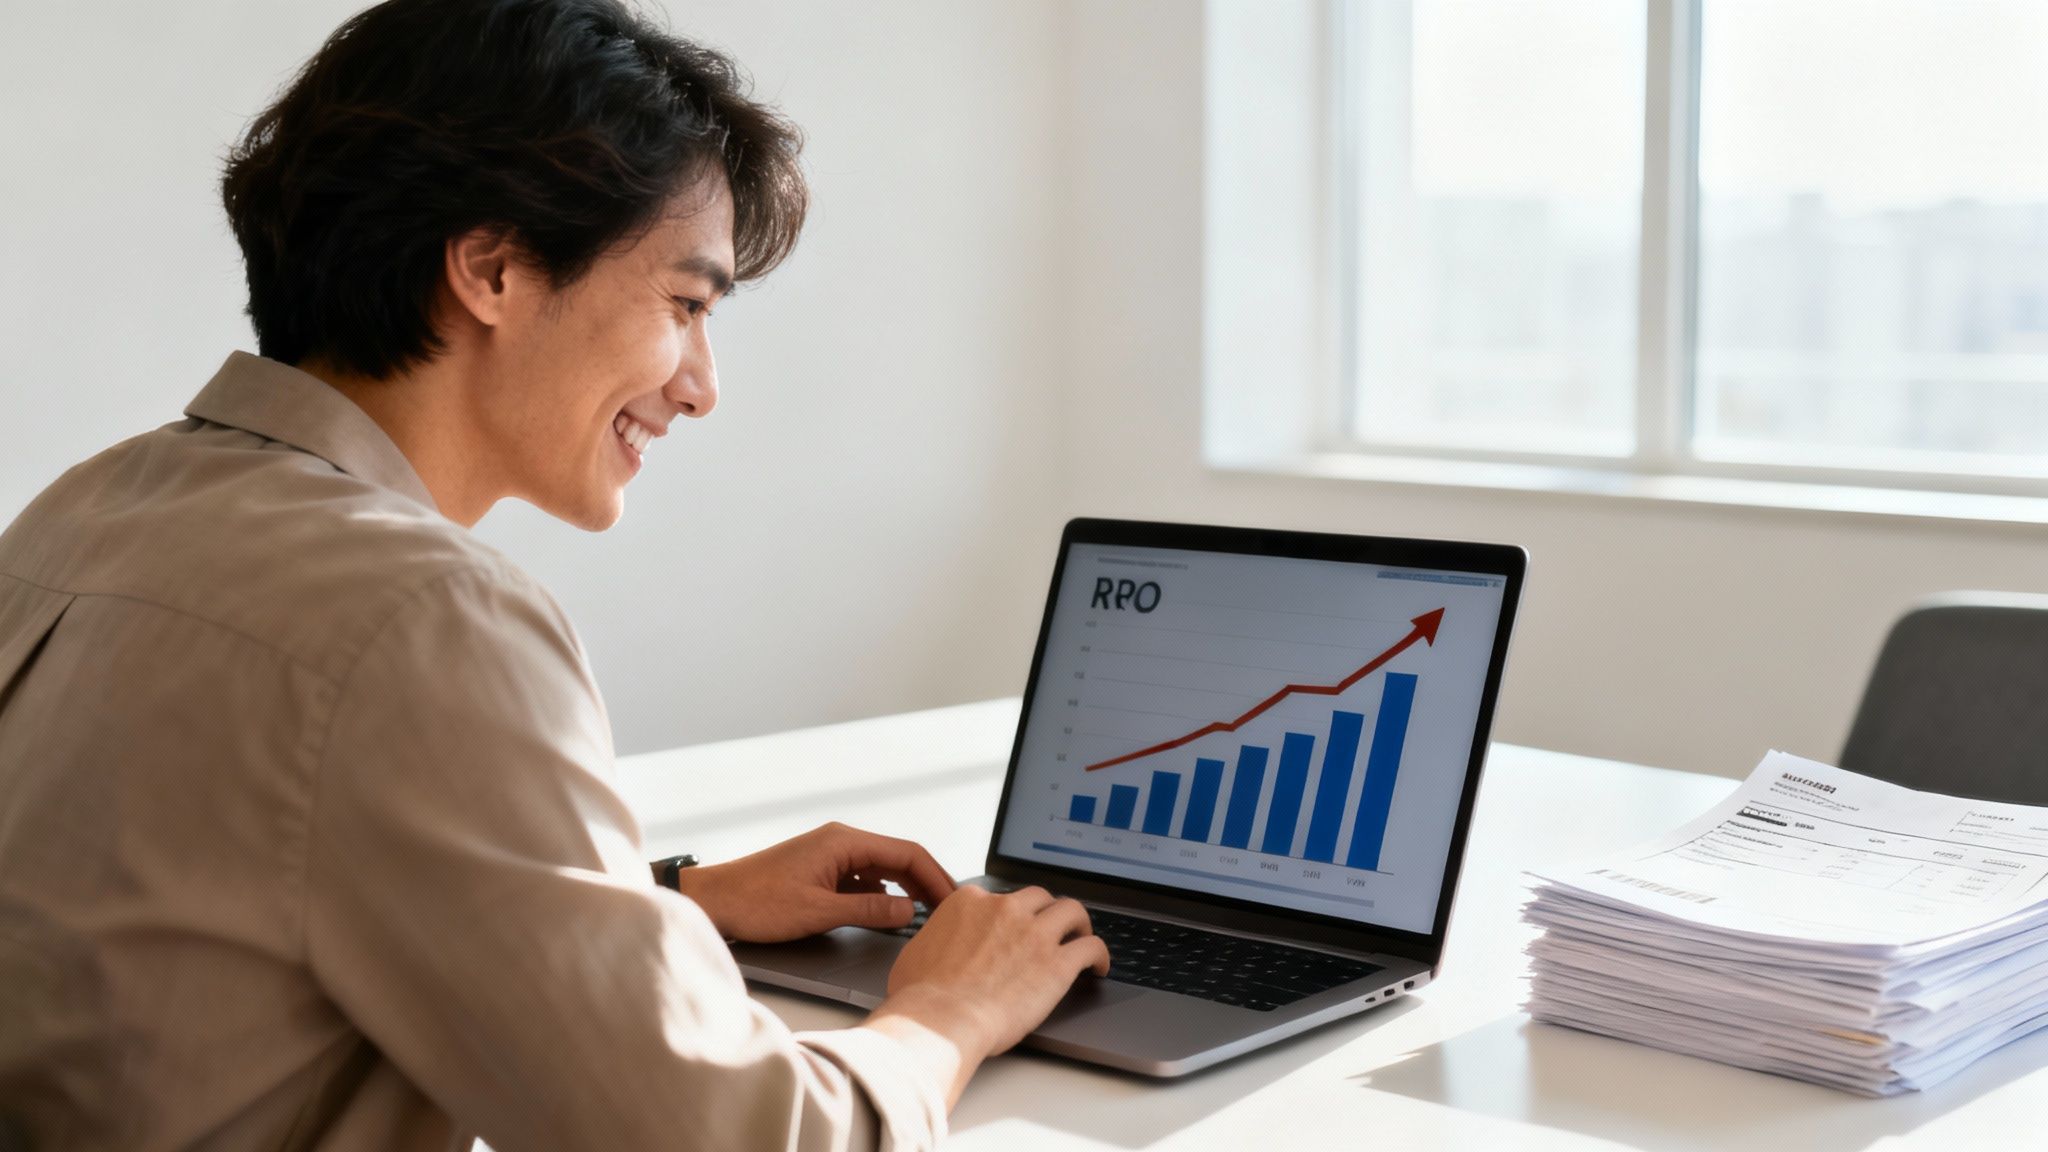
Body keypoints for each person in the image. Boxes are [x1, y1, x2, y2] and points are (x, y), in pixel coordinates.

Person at [0, 1, 1108, 1148]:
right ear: (493, 269)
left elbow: (230, 914)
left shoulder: (81, 514)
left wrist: (661, 903)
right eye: (684, 305)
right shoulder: (419, 618)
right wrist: (950, 1010)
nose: (701, 386)